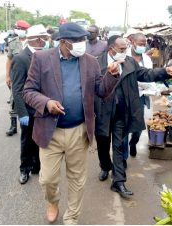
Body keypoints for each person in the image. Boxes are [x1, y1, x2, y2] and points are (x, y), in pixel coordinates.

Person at [23, 22, 121, 224]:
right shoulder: (41, 59)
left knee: (77, 179)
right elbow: (28, 91)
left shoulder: (90, 62)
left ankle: (72, 216)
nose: (82, 44)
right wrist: (47, 103)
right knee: (48, 179)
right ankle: (53, 201)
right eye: (78, 40)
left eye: (84, 39)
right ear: (64, 42)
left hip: (79, 130)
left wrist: (112, 76)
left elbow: (100, 91)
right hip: (51, 131)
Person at [94, 35, 172, 198]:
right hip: (103, 111)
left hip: (121, 111)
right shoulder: (97, 63)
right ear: (111, 48)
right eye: (122, 49)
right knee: (103, 144)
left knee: (118, 145)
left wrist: (164, 72)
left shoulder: (130, 61)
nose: (125, 52)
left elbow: (145, 74)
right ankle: (105, 166)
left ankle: (118, 182)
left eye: (126, 49)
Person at [12, 25, 48, 184]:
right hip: (28, 108)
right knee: (27, 140)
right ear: (39, 40)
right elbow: (17, 88)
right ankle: (24, 168)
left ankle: (37, 167)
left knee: (41, 139)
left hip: (44, 107)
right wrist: (22, 113)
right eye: (45, 38)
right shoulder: (21, 58)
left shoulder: (46, 54)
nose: (47, 41)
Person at [122, 32, 153, 164]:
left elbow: (149, 75)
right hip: (126, 95)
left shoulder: (147, 59)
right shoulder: (124, 57)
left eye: (144, 44)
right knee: (123, 126)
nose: (143, 46)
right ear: (133, 43)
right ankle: (123, 157)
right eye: (140, 44)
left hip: (141, 96)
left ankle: (133, 142)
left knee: (138, 126)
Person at [5, 24, 29, 136]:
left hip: (30, 76)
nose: (20, 31)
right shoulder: (13, 42)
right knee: (14, 98)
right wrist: (7, 76)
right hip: (16, 76)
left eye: (22, 29)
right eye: (19, 29)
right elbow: (9, 60)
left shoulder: (31, 40)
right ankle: (13, 125)